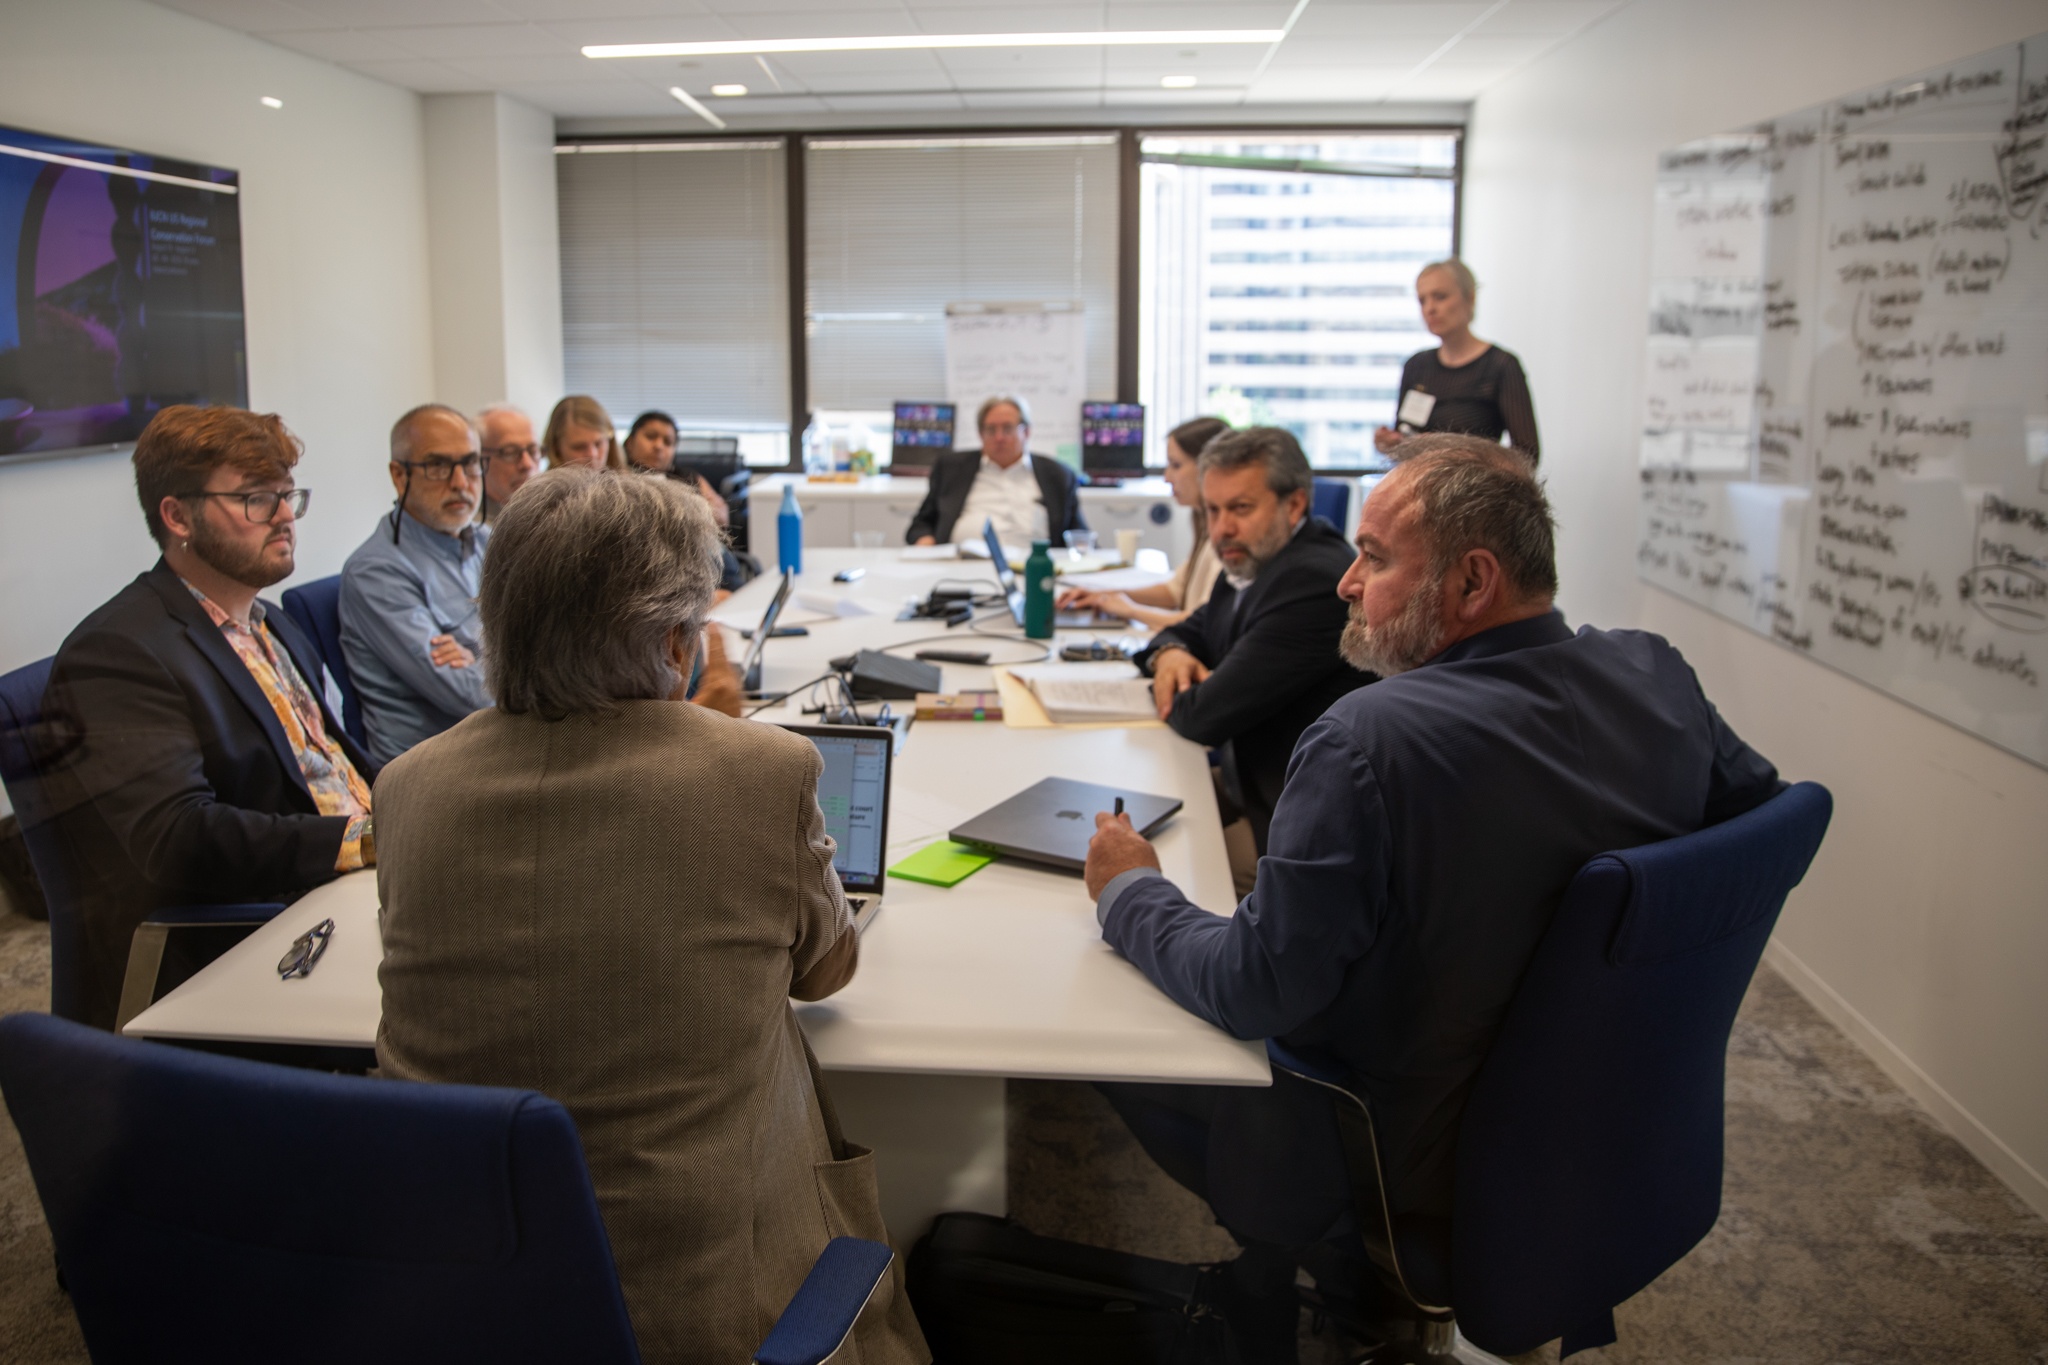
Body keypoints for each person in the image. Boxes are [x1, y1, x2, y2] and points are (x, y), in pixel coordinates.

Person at [1081, 447, 1780, 1361]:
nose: (1346, 582)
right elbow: (1752, 829)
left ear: (1472, 580)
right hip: (1602, 1117)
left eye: (1373, 557)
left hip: (1388, 1141)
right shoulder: (1658, 675)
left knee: (1090, 1029)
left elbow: (1255, 990)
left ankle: (1322, 1267)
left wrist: (1131, 888)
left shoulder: (1367, 742)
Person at [373, 468, 925, 1365]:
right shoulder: (760, 771)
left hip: (458, 1291)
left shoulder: (406, 787)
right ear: (677, 641)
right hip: (703, 1307)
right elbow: (827, 971)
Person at [35, 406, 376, 1030]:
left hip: (342, 884)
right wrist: (363, 844)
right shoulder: (119, 653)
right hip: (255, 937)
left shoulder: (270, 621)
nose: (283, 517)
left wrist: (428, 800)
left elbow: (333, 761)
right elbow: (178, 839)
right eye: (255, 499)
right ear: (176, 515)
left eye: (286, 496)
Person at [1135, 427, 1369, 859]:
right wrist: (1170, 655)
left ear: (1294, 503)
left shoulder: (1314, 582)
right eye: (1213, 510)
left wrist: (1164, 684)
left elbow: (1203, 717)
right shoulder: (1254, 558)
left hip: (1299, 830)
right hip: (1252, 785)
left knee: (1156, 864)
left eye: (1240, 508)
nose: (1222, 529)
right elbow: (1189, 631)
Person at [338, 403, 492, 766]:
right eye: (438, 466)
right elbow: (470, 695)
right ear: (399, 475)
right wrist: (507, 660)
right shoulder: (377, 571)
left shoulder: (487, 541)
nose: (460, 482)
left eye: (470, 463)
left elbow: (550, 638)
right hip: (431, 773)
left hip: (494, 746)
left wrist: (478, 658)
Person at [1058, 415, 1229, 630]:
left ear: (1209, 468)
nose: (1167, 477)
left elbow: (1203, 625)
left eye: (1176, 465)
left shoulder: (1226, 537)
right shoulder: (1201, 521)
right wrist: (1103, 596)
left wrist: (1130, 610)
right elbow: (1175, 591)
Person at [1372, 259, 1539, 462]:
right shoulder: (1416, 366)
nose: (1430, 308)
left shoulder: (1501, 366)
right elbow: (1405, 436)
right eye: (1422, 300)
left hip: (1474, 490)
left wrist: (1447, 447)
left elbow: (1527, 454)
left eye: (1440, 297)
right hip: (1418, 486)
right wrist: (1390, 443)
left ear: (1470, 298)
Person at [905, 395, 1087, 546]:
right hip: (959, 566)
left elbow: (1079, 534)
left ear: (1027, 432)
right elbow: (921, 524)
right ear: (980, 434)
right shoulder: (950, 468)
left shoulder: (1058, 475)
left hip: (1032, 568)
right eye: (991, 430)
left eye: (1008, 428)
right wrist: (926, 543)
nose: (999, 437)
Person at [623, 408, 758, 596]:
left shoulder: (686, 476)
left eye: (667, 442)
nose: (659, 446)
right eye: (651, 437)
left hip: (711, 556)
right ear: (629, 442)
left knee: (743, 594)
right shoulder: (620, 481)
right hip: (669, 568)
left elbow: (722, 515)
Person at [477, 403, 541, 522]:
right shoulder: (471, 530)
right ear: (480, 459)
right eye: (510, 453)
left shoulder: (554, 516)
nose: (527, 464)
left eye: (533, 451)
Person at [544, 393, 625, 470]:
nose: (593, 454)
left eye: (598, 444)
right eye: (579, 447)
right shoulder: (542, 484)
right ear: (556, 450)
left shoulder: (628, 482)